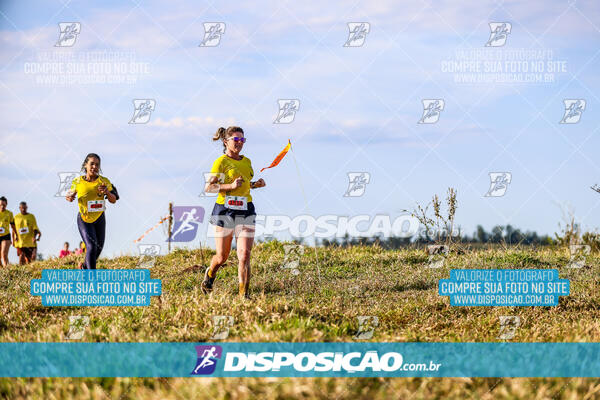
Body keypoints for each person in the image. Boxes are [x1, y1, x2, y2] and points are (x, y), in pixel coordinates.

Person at [201, 126, 266, 299]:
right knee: (222, 257)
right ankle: (210, 275)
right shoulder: (221, 162)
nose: (239, 143)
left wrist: (255, 184)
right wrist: (230, 186)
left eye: (242, 140)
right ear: (226, 142)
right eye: (235, 140)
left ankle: (244, 296)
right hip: (225, 211)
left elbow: (244, 184)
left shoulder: (247, 162)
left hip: (246, 210)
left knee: (244, 254)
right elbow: (209, 187)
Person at [66, 153, 118, 269]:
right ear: (86, 165)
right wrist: (69, 197)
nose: (94, 167)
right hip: (84, 219)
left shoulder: (104, 181)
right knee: (91, 246)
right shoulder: (78, 181)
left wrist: (107, 192)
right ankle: (91, 280)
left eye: (97, 165)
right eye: (92, 164)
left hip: (100, 218)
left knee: (98, 249)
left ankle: (84, 267)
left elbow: (113, 200)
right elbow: (69, 195)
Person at [0, 196, 16, 267]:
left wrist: (16, 235)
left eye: (4, 205)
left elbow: (13, 226)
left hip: (6, 236)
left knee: (4, 254)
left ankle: (7, 271)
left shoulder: (9, 213)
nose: (2, 206)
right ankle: (2, 273)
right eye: (1, 205)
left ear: (6, 204)